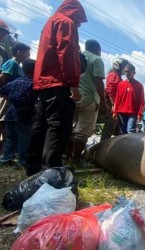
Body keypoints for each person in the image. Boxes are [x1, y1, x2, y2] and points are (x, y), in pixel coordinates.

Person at [25, 0, 87, 176]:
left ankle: (33, 167)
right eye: (80, 19)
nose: (80, 23)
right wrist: (74, 84)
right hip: (59, 83)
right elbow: (67, 55)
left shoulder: (50, 22)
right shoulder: (66, 23)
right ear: (74, 12)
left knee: (40, 125)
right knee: (59, 126)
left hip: (44, 83)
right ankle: (50, 170)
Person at [68, 39, 106, 164]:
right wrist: (103, 102)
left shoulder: (76, 56)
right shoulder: (96, 59)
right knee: (82, 132)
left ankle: (67, 155)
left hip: (72, 97)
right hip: (89, 99)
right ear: (97, 49)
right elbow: (99, 82)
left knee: (70, 128)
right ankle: (76, 159)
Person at [0, 59, 35, 167]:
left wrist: (10, 97)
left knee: (10, 138)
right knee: (24, 139)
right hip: (24, 116)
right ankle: (23, 161)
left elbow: (2, 91)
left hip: (10, 114)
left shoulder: (15, 82)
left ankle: (6, 158)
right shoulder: (33, 84)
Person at [0, 42, 31, 153]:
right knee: (2, 122)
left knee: (6, 125)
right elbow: (2, 78)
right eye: (27, 54)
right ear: (19, 52)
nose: (28, 57)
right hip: (5, 97)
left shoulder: (19, 67)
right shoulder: (12, 63)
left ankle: (5, 152)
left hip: (10, 98)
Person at [100, 57, 129, 141]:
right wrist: (113, 104)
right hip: (112, 103)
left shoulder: (117, 76)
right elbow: (110, 90)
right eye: (124, 66)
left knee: (116, 127)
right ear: (118, 66)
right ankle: (103, 146)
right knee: (109, 126)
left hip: (116, 104)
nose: (125, 69)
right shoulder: (113, 75)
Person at [113, 63, 145, 134]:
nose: (127, 74)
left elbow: (141, 101)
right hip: (121, 113)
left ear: (134, 73)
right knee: (123, 133)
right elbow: (117, 99)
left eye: (129, 72)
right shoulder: (121, 84)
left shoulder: (139, 85)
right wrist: (115, 112)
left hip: (132, 113)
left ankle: (132, 145)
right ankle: (124, 145)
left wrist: (140, 113)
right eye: (126, 72)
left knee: (130, 131)